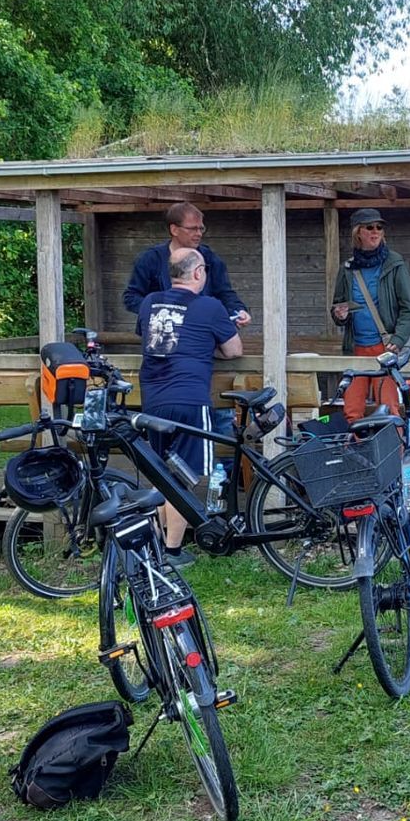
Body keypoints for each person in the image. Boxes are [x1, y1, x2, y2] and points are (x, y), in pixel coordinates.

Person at [136, 249, 243, 565]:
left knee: (160, 475)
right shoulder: (210, 307)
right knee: (181, 479)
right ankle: (172, 551)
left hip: (152, 402)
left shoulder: (149, 303)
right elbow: (234, 350)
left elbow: (153, 338)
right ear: (198, 273)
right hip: (189, 402)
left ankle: (155, 546)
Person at [330, 207, 410, 424]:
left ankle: (394, 456)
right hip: (356, 348)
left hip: (385, 348)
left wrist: (398, 340)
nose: (375, 231)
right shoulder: (347, 269)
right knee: (352, 411)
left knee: (389, 410)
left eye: (379, 227)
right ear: (358, 232)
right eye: (370, 227)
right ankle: (355, 455)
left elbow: (408, 310)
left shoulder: (395, 264)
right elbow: (337, 308)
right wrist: (340, 315)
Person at [122, 201, 252, 327]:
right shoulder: (150, 259)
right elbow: (131, 297)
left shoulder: (209, 258)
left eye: (201, 228)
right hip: (166, 331)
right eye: (192, 229)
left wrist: (238, 310)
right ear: (174, 230)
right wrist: (160, 309)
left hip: (202, 331)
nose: (199, 234)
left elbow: (224, 292)